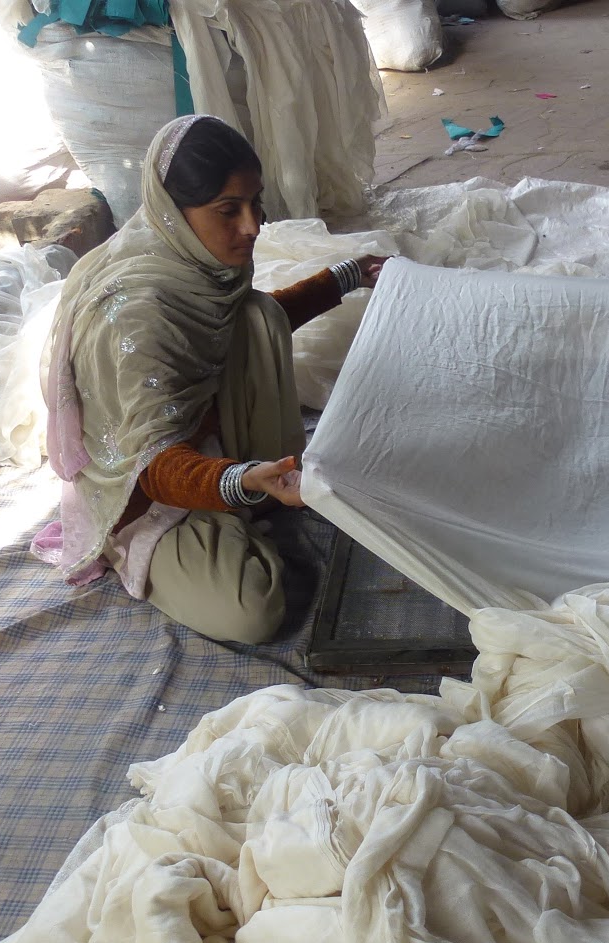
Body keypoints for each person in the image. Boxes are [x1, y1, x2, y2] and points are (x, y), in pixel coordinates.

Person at [33, 114, 384, 643]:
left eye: (255, 202)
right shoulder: (141, 311)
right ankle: (135, 543)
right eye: (228, 211)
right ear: (174, 212)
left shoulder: (190, 264)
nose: (253, 225)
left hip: (195, 437)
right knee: (252, 610)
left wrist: (348, 276)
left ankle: (241, 500)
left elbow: (251, 327)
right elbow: (150, 465)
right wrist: (237, 481)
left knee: (254, 314)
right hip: (147, 487)